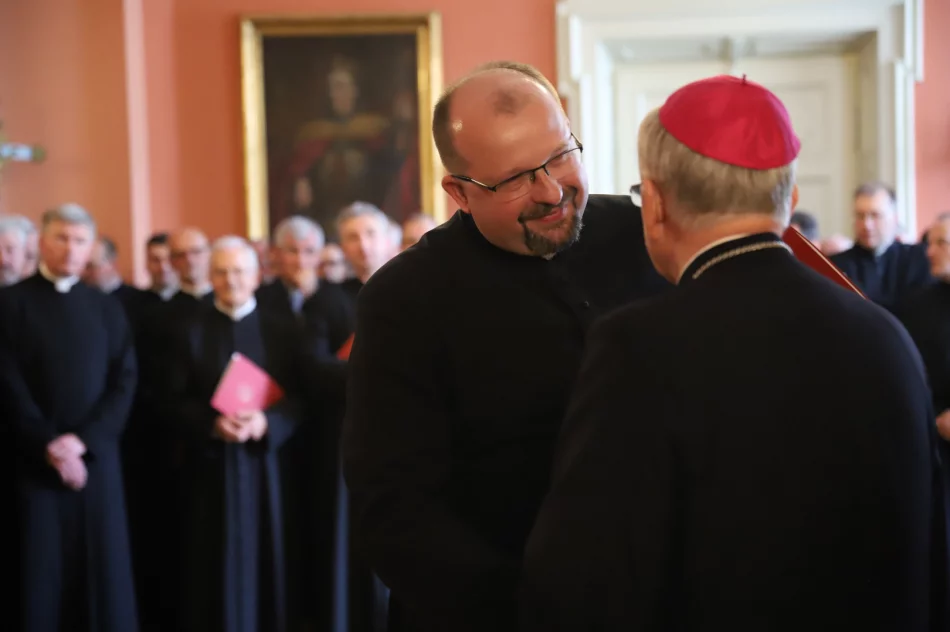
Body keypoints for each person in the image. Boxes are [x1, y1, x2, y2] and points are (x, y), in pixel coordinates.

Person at [518, 75, 947, 632]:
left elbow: (589, 572)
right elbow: (931, 549)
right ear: (790, 202)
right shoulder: (886, 335)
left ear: (656, 205)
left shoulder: (637, 346)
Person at [342, 60, 669, 632]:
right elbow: (394, 509)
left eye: (561, 156)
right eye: (514, 180)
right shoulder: (404, 299)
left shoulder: (649, 236)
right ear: (459, 193)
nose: (552, 192)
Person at [0, 203, 139, 631]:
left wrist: (83, 443)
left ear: (91, 247)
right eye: (61, 238)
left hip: (96, 460)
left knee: (101, 576)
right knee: (38, 576)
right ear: (41, 243)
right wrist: (49, 445)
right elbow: (7, 383)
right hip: (32, 462)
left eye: (80, 240)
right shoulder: (9, 304)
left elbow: (124, 382)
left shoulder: (107, 307)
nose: (70, 248)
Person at [169, 236, 305, 632]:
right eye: (222, 272)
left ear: (257, 275)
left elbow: (302, 397)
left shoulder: (284, 330)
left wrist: (269, 422)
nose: (231, 280)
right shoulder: (188, 331)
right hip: (210, 467)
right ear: (210, 277)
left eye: (240, 272)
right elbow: (171, 399)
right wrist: (211, 424)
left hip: (268, 466)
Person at [830, 182, 933, 310]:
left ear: (894, 219)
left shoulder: (920, 259)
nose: (867, 225)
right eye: (860, 216)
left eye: (875, 215)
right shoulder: (836, 266)